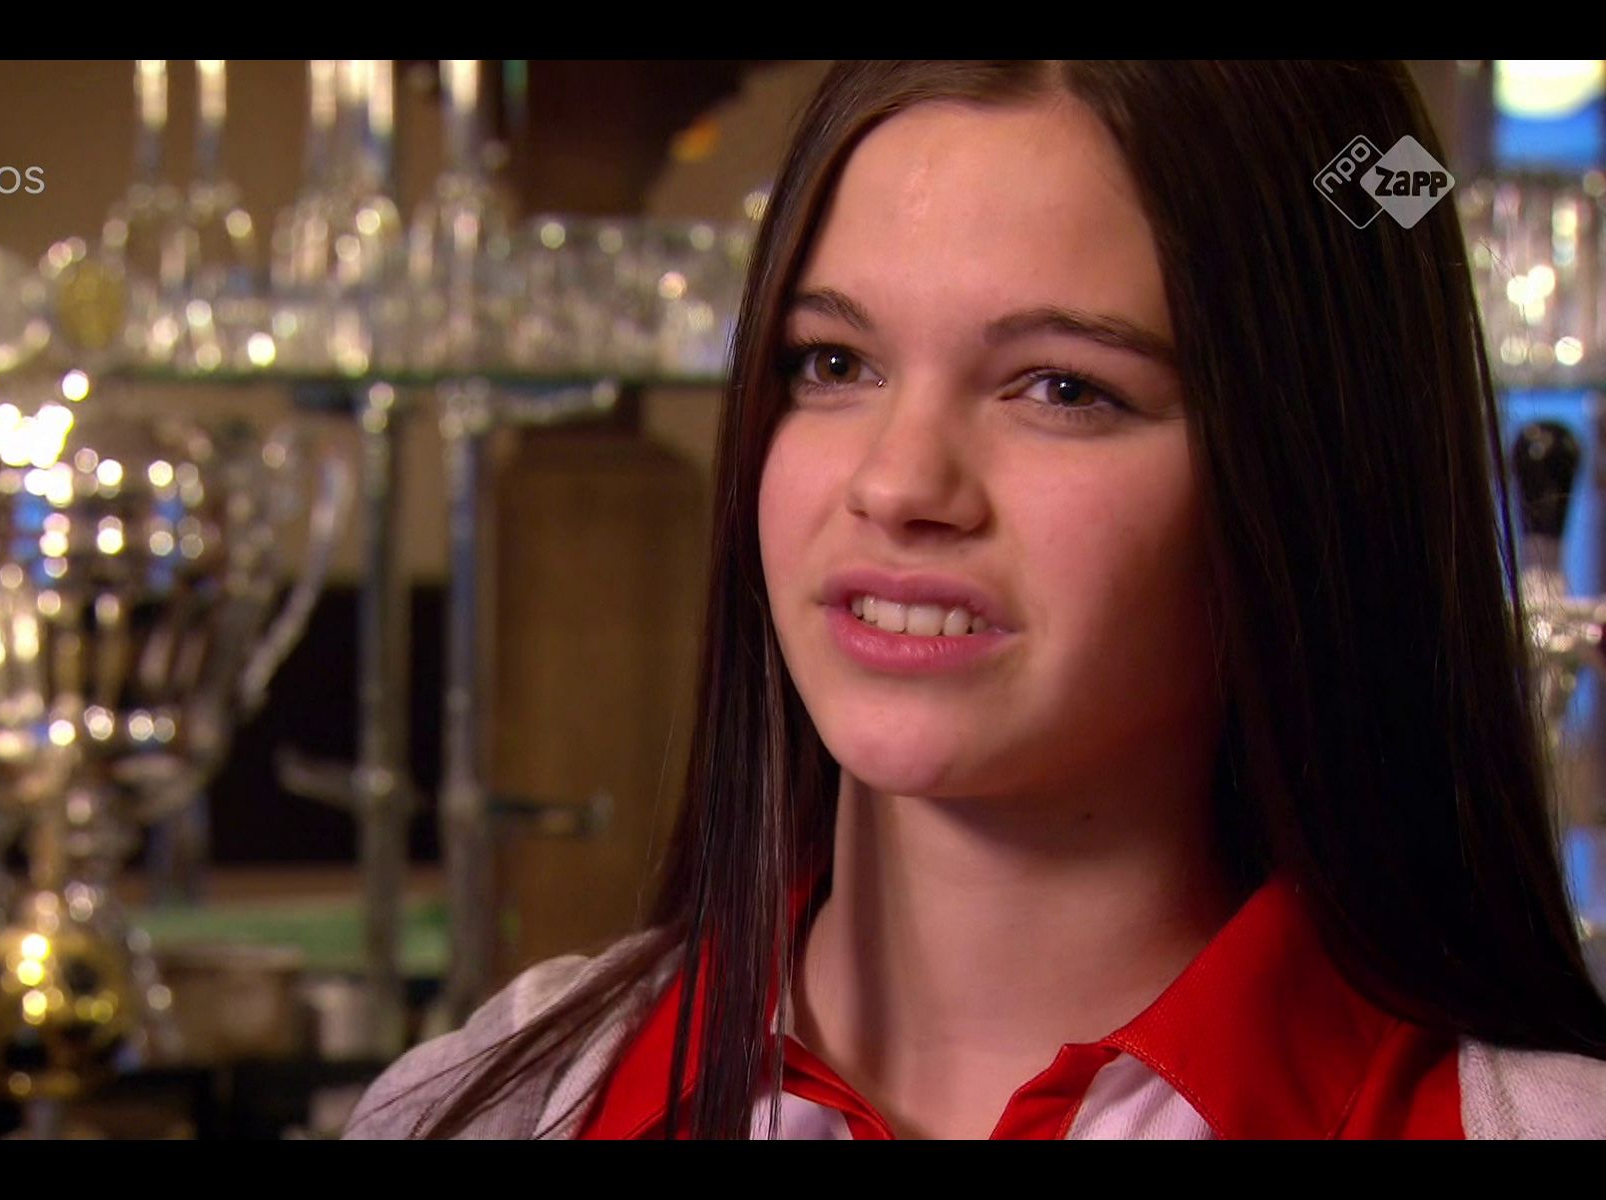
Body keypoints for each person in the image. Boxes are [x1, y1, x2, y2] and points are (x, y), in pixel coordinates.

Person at [341, 60, 1606, 1140]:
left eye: (1063, 387)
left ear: (1313, 477)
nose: (899, 484)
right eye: (833, 362)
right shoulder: (495, 1104)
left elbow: (1392, 189)